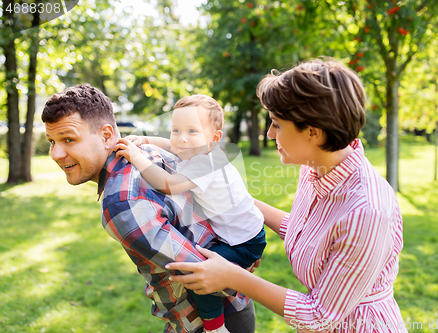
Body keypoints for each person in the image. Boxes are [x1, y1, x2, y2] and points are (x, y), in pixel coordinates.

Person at [167, 59, 408, 332]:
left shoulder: (366, 211)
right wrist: (236, 208)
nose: (269, 134)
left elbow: (320, 315)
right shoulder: (317, 168)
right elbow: (307, 231)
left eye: (277, 125)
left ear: (313, 133)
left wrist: (231, 275)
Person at [42, 84, 257, 333]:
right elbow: (213, 190)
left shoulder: (121, 205)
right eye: (51, 141)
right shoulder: (144, 152)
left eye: (68, 139)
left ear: (106, 135)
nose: (56, 153)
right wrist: (246, 246)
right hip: (228, 306)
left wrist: (242, 266)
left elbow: (202, 273)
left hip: (211, 320)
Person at [114, 94, 266, 333]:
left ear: (214, 138)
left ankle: (215, 328)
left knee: (202, 275)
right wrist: (143, 139)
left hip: (243, 242)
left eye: (192, 131)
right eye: (176, 129)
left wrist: (136, 156)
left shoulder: (207, 164)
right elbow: (171, 144)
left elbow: (167, 183)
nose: (181, 139)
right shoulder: (198, 151)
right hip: (246, 233)